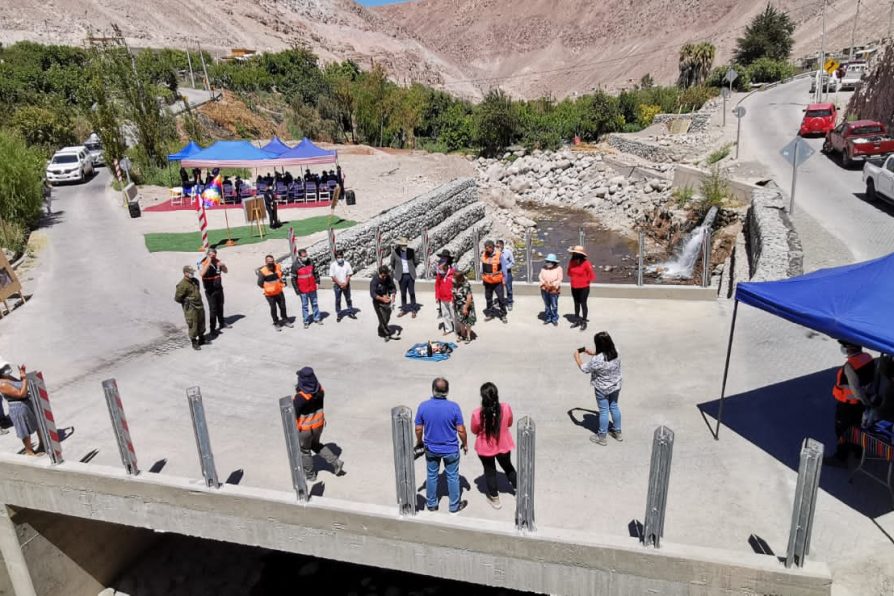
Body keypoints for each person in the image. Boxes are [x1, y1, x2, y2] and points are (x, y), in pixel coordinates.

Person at [415, 378, 469, 514]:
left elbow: (418, 429)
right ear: (447, 391)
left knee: (432, 475)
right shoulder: (454, 407)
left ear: (433, 390)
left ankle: (432, 504)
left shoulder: (423, 406)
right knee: (452, 476)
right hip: (450, 449)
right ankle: (454, 506)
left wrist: (419, 442)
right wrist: (465, 443)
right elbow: (461, 430)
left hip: (431, 449)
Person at [825, 341, 875, 467]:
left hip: (848, 405)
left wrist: (865, 401)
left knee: (842, 430)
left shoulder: (849, 366)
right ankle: (858, 451)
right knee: (857, 427)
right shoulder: (867, 357)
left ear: (849, 349)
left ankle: (841, 457)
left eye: (845, 347)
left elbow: (855, 388)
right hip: (859, 405)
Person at [470, 382, 517, 509]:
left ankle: (495, 499)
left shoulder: (477, 413)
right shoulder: (506, 407)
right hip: (503, 444)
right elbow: (509, 423)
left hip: (485, 448)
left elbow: (474, 430)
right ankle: (519, 489)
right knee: (508, 467)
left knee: (490, 472)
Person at [293, 367, 345, 482]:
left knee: (305, 451)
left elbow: (293, 415)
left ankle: (310, 475)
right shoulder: (320, 390)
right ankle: (336, 462)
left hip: (306, 430)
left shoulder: (300, 398)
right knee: (316, 445)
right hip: (319, 426)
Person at [574, 331, 622, 446]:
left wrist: (577, 357)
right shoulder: (616, 352)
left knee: (604, 411)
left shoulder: (597, 360)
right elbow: (605, 356)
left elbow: (584, 368)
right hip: (616, 385)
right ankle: (617, 432)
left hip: (602, 388)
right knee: (614, 407)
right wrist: (593, 353)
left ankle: (602, 437)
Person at [0, 360, 44, 455]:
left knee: (37, 424)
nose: (7, 368)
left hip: (26, 403)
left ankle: (42, 445)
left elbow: (20, 386)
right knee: (24, 430)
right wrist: (24, 379)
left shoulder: (9, 377)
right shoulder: (2, 384)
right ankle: (29, 451)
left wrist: (22, 376)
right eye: (4, 367)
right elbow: (21, 393)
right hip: (18, 408)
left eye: (6, 365)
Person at [174, 265, 206, 351]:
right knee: (193, 324)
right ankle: (194, 342)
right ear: (185, 273)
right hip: (191, 308)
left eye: (193, 272)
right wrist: (187, 301)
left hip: (199, 305)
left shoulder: (195, 281)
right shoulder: (182, 285)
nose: (192, 274)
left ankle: (202, 338)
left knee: (201, 321)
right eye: (191, 272)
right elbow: (177, 298)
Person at [258, 255, 293, 331]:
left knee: (283, 306)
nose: (271, 262)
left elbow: (281, 275)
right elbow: (259, 283)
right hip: (269, 294)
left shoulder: (278, 266)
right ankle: (276, 322)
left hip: (279, 291)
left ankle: (285, 320)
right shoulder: (263, 271)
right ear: (266, 262)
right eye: (269, 261)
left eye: (272, 261)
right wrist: (268, 288)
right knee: (273, 308)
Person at [200, 248, 229, 338]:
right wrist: (209, 262)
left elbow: (226, 271)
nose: (213, 256)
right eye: (211, 255)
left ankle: (222, 323)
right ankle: (212, 329)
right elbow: (201, 274)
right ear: (207, 254)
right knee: (213, 309)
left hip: (219, 288)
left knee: (220, 306)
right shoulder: (202, 262)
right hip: (210, 290)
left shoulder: (217, 261)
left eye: (214, 255)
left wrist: (223, 265)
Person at [291, 249, 322, 329]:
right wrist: (297, 290)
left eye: (306, 255)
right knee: (305, 306)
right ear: (299, 256)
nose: (305, 257)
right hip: (303, 290)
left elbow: (315, 273)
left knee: (315, 304)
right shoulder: (295, 265)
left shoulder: (311, 262)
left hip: (312, 288)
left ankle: (317, 318)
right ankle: (306, 321)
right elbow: (293, 279)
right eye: (304, 256)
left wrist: (317, 282)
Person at [567, 246, 596, 331]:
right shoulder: (571, 262)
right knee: (576, 303)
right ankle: (576, 320)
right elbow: (569, 272)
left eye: (576, 253)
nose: (574, 254)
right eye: (574, 253)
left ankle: (583, 322)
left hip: (584, 287)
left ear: (580, 255)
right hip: (574, 286)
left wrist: (584, 281)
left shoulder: (586, 263)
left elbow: (591, 275)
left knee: (583, 304)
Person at [390, 237, 419, 318]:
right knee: (403, 293)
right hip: (401, 276)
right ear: (399, 245)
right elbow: (392, 263)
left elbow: (416, 261)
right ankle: (404, 309)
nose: (404, 246)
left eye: (405, 245)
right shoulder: (395, 252)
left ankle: (413, 309)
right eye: (402, 245)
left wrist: (412, 268)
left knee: (412, 293)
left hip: (410, 275)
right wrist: (398, 271)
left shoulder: (411, 251)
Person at [480, 240, 507, 323]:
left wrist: (504, 279)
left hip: (497, 281)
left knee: (501, 298)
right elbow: (482, 267)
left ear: (492, 247)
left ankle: (503, 314)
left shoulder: (499, 255)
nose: (487, 250)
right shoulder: (483, 254)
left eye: (488, 248)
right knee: (488, 298)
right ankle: (490, 314)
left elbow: (504, 268)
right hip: (487, 281)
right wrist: (482, 277)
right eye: (486, 248)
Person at [370, 265, 399, 341]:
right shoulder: (374, 281)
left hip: (387, 301)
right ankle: (386, 334)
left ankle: (381, 329)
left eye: (386, 276)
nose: (384, 278)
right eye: (383, 276)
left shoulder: (388, 277)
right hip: (378, 302)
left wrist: (393, 297)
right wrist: (382, 298)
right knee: (382, 318)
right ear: (379, 274)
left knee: (387, 316)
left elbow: (392, 288)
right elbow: (372, 293)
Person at [329, 249, 355, 322]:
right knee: (338, 300)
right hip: (337, 285)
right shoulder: (333, 265)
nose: (340, 258)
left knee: (348, 299)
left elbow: (349, 274)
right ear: (336, 258)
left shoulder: (347, 264)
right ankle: (339, 313)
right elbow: (332, 276)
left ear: (343, 256)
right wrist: (340, 284)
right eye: (338, 257)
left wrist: (346, 283)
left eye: (341, 257)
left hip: (346, 284)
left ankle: (350, 312)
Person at [434, 250, 455, 336]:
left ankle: (457, 329)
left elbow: (457, 285)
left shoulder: (453, 272)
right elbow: (437, 285)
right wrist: (437, 296)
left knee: (454, 314)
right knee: (445, 314)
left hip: (451, 297)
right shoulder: (439, 274)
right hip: (442, 297)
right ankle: (448, 328)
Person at [452, 269, 477, 344]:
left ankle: (468, 336)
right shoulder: (455, 283)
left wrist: (465, 308)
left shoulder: (466, 284)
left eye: (454, 276)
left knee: (467, 322)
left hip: (466, 305)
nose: (453, 277)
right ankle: (463, 335)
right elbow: (454, 294)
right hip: (458, 305)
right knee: (461, 321)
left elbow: (469, 297)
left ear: (459, 278)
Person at [538, 253, 563, 326]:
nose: (548, 263)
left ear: (553, 262)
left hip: (553, 289)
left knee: (554, 305)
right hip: (544, 288)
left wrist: (553, 284)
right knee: (547, 304)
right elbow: (540, 276)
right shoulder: (543, 267)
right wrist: (544, 283)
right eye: (547, 261)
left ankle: (554, 318)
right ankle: (548, 318)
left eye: (549, 262)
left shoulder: (559, 269)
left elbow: (559, 279)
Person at [496, 240, 515, 311]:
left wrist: (504, 268)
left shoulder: (508, 252)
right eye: (496, 246)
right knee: (499, 289)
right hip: (498, 274)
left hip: (507, 273)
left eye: (498, 246)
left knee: (509, 288)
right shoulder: (495, 253)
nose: (497, 247)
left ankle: (510, 302)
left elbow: (512, 263)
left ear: (502, 245)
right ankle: (500, 302)